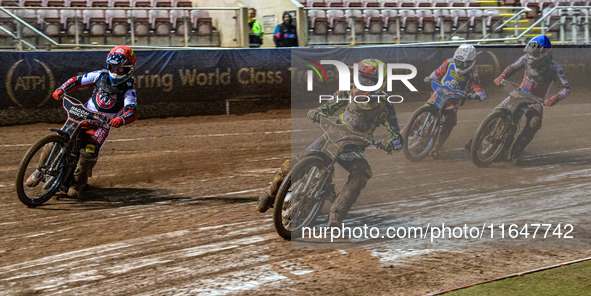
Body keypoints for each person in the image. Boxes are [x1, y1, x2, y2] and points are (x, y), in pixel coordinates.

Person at [257, 59, 403, 227]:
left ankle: (336, 215)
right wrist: (317, 112)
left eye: (368, 80)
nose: (362, 83)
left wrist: (389, 144)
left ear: (379, 82)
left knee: (362, 172)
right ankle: (270, 193)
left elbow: (397, 137)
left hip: (353, 147)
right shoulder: (348, 90)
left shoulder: (385, 105)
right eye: (360, 78)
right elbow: (329, 106)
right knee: (295, 163)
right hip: (333, 135)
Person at [26, 45, 138, 198]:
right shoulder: (100, 75)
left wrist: (121, 119)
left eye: (120, 69)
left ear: (129, 69)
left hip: (102, 125)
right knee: (58, 139)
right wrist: (62, 89)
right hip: (83, 115)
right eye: (113, 67)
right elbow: (77, 80)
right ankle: (39, 170)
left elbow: (131, 111)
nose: (116, 72)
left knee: (88, 151)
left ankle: (78, 183)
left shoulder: (128, 90)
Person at [491, 35, 570, 162]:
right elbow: (512, 67)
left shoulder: (554, 68)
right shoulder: (526, 58)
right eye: (530, 53)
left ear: (546, 52)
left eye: (536, 54)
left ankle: (515, 152)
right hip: (519, 93)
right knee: (498, 112)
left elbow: (566, 87)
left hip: (536, 100)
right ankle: (477, 140)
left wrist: (554, 98)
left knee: (535, 123)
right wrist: (501, 76)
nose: (532, 57)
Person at [422, 44, 486, 158]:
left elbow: (478, 88)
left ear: (471, 62)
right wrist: (430, 78)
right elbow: (437, 73)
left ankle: (436, 147)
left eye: (464, 64)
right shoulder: (449, 62)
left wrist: (477, 95)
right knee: (423, 111)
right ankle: (404, 132)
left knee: (450, 121)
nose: (460, 65)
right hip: (440, 94)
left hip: (453, 101)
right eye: (459, 62)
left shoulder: (472, 73)